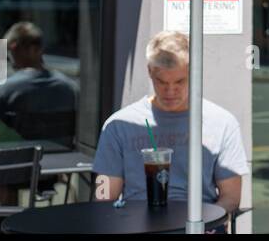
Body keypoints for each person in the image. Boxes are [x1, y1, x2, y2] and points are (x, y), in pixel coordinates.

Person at [93, 31, 247, 223]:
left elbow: (231, 197)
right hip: (136, 223)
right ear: (150, 71)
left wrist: (204, 223)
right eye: (162, 82)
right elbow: (104, 196)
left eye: (180, 81)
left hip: (200, 223)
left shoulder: (222, 123)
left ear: (194, 72)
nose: (170, 91)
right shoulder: (118, 125)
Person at [0, 21, 79, 142]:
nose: (9, 56)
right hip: (65, 157)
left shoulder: (0, 92)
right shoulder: (70, 88)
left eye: (9, 50)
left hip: (19, 159)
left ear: (15, 48)